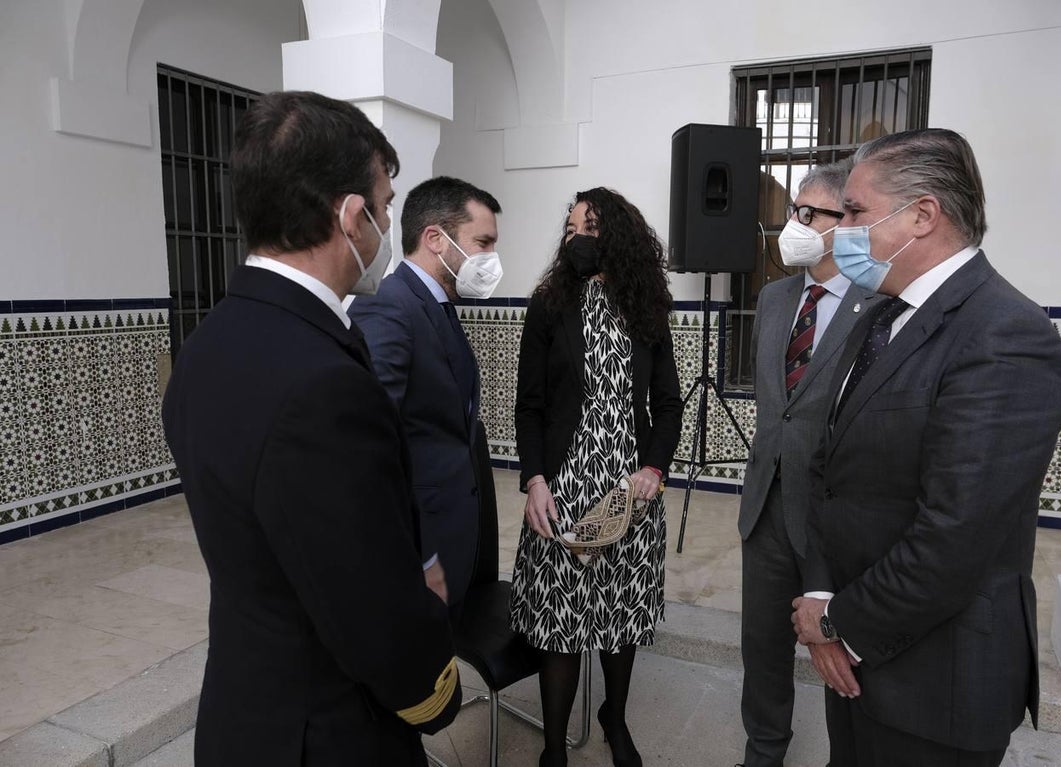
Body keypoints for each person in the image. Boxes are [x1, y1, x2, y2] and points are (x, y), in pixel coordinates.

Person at [161, 91, 460, 766]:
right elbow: (371, 615)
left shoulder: (204, 346)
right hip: (323, 731)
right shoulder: (320, 385)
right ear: (350, 217)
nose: (388, 223)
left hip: (244, 708)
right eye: (385, 207)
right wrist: (435, 682)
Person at [791, 128, 1061, 767]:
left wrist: (839, 624)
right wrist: (821, 595)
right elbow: (826, 467)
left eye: (856, 212)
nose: (844, 230)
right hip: (856, 664)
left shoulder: (1005, 335)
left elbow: (956, 536)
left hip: (935, 685)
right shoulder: (880, 311)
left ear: (922, 216)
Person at [511, 188, 684, 767]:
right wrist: (533, 479)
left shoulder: (648, 307)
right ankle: (554, 747)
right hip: (560, 490)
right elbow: (528, 405)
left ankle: (615, 717)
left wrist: (655, 468)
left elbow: (668, 402)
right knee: (561, 621)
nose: (575, 237)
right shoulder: (547, 304)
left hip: (629, 492)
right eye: (569, 229)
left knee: (618, 617)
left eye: (587, 226)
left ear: (618, 235)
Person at [737, 160, 875, 767]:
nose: (792, 224)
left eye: (807, 214)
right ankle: (764, 751)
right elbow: (780, 409)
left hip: (836, 511)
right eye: (793, 210)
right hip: (766, 504)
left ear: (846, 224)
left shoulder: (877, 306)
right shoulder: (774, 298)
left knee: (843, 649)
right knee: (762, 647)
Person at [348, 176, 503, 619]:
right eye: (483, 243)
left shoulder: (436, 303)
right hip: (421, 540)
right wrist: (419, 553)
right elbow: (372, 442)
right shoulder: (390, 306)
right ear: (435, 238)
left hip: (452, 528)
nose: (491, 259)